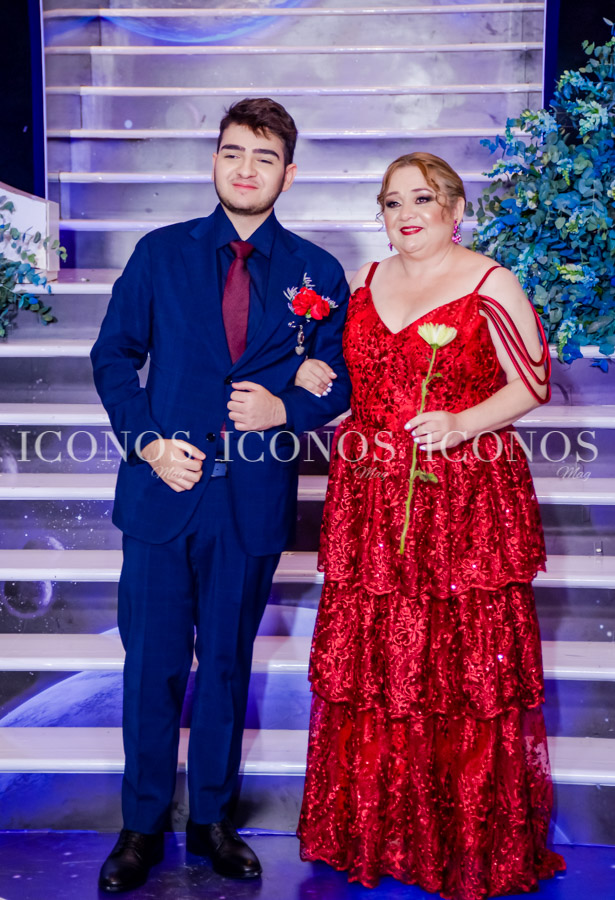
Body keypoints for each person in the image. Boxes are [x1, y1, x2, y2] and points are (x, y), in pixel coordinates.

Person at [91, 97, 351, 893]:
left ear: (288, 174)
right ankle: (140, 826)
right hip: (163, 493)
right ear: (213, 161)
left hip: (251, 500)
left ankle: (211, 821)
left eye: (264, 157)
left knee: (228, 666)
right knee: (153, 667)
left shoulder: (317, 272)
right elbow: (112, 356)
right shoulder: (159, 253)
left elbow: (338, 381)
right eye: (233, 152)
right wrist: (147, 442)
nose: (246, 168)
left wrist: (286, 408)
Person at [296, 152, 566, 899]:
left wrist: (461, 422)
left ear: (454, 208)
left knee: (457, 663)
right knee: (379, 661)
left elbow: (533, 382)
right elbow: (348, 374)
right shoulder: (365, 281)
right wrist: (309, 372)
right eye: (392, 202)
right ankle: (379, 830)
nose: (406, 214)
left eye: (421, 198)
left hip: (462, 495)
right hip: (373, 495)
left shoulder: (490, 282)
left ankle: (459, 833)